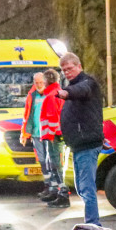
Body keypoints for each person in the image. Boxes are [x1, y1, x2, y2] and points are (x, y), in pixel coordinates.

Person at [57, 52, 103, 225]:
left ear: (79, 66)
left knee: (87, 188)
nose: (67, 72)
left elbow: (80, 91)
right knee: (80, 187)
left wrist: (65, 93)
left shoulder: (87, 84)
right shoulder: (73, 87)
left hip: (87, 144)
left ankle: (93, 224)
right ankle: (91, 223)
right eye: (64, 70)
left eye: (70, 68)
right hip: (77, 145)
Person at [38, 69, 68, 208]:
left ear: (47, 80)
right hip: (57, 135)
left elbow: (52, 120)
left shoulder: (50, 96)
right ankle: (57, 191)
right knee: (55, 164)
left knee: (56, 164)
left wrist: (49, 136)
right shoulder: (58, 93)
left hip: (53, 136)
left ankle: (62, 194)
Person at [20, 72, 53, 197]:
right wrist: (24, 133)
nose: (39, 85)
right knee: (43, 161)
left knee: (51, 161)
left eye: (41, 82)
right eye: (37, 83)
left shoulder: (50, 94)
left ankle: (53, 187)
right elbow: (27, 115)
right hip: (36, 133)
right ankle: (47, 185)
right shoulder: (32, 96)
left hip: (48, 133)